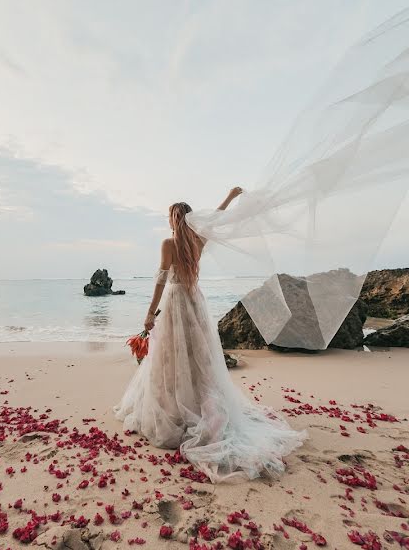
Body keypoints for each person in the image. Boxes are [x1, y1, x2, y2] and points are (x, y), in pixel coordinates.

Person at [114, 187, 307, 483]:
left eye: (170, 217)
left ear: (174, 220)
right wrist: (229, 198)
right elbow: (216, 221)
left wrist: (150, 314)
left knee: (171, 359)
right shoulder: (197, 242)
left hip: (177, 302)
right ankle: (204, 409)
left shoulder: (169, 243)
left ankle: (177, 411)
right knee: (199, 360)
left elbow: (160, 282)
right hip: (195, 303)